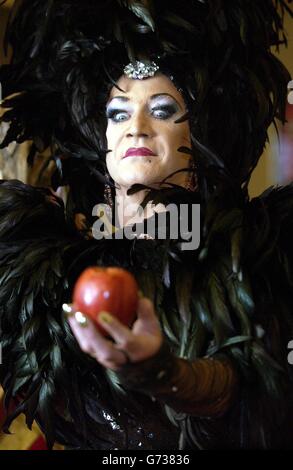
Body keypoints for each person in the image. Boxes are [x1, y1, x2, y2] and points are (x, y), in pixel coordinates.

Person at [0, 0, 293, 450]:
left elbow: (247, 387)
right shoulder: (37, 259)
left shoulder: (250, 252)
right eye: (118, 113)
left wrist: (160, 372)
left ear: (196, 136)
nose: (136, 127)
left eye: (161, 110)